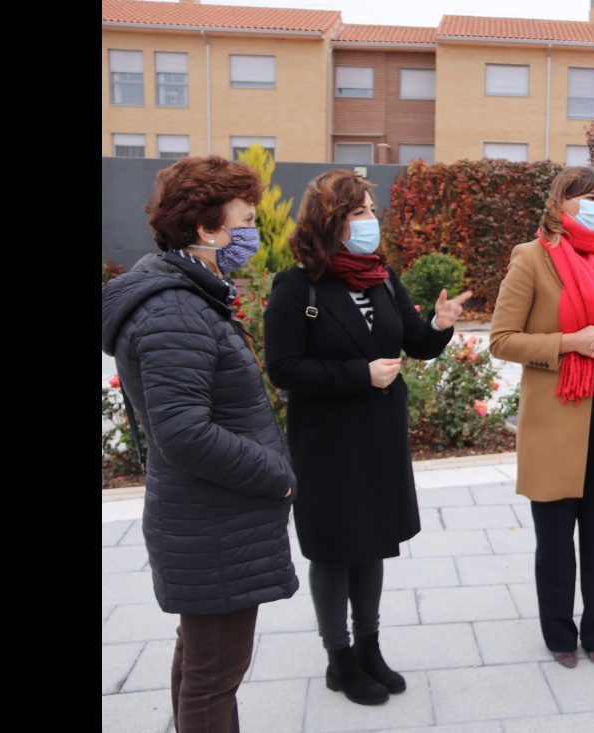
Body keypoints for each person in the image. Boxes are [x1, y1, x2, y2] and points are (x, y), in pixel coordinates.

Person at [101, 155, 299, 733]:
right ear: (208, 229)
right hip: (213, 524)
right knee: (215, 675)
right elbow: (184, 432)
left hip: (213, 519)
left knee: (201, 663)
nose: (253, 233)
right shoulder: (175, 309)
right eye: (245, 220)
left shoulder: (189, 295)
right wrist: (276, 473)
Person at [262, 169, 472, 706]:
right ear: (330, 221)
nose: (370, 222)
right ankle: (339, 659)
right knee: (334, 550)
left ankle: (370, 648)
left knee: (372, 544)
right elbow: (283, 367)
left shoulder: (382, 277)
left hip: (376, 436)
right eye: (358, 213)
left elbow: (416, 343)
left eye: (372, 211)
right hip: (327, 442)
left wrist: (441, 323)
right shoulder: (296, 286)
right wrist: (359, 375)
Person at [489, 166, 594, 669]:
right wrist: (568, 344)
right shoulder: (531, 259)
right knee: (555, 548)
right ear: (561, 205)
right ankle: (559, 634)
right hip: (556, 422)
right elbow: (501, 339)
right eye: (587, 197)